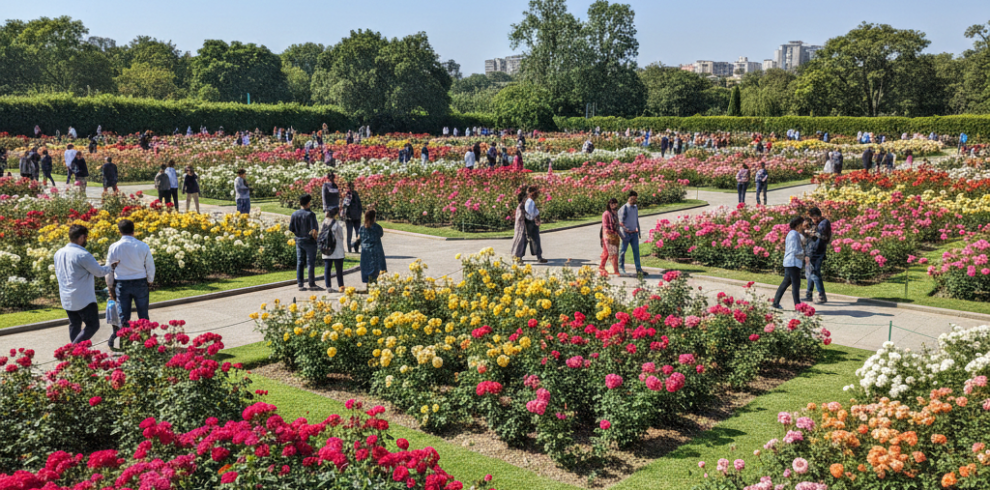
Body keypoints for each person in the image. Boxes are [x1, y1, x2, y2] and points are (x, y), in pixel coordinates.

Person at [54, 224, 117, 344]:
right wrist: (111, 267)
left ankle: (78, 353)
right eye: (86, 237)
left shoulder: (59, 253)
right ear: (82, 237)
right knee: (92, 325)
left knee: (74, 324)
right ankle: (73, 349)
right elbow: (99, 272)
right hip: (83, 298)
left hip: (66, 296)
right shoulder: (82, 254)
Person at [104, 219, 155, 349]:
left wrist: (110, 285)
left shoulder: (114, 247)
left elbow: (109, 268)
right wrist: (150, 280)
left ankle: (126, 344)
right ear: (133, 230)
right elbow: (150, 265)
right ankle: (146, 343)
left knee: (124, 316)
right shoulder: (142, 246)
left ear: (120, 231)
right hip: (140, 281)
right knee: (143, 314)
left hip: (122, 283)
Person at [772, 217, 809, 310]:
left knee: (786, 282)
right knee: (796, 284)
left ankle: (775, 303)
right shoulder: (794, 234)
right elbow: (795, 250)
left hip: (791, 261)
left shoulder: (793, 233)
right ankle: (798, 306)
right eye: (802, 224)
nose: (803, 226)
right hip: (793, 262)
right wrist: (804, 255)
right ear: (798, 225)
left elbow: (803, 240)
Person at [289, 194, 323, 292]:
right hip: (309, 241)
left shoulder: (294, 214)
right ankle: (311, 283)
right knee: (310, 263)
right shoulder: (311, 215)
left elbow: (291, 228)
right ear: (308, 203)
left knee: (300, 262)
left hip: (299, 240)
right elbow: (314, 230)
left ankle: (300, 283)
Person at [617, 191, 648, 276]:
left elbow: (636, 220)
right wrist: (624, 231)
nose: (634, 200)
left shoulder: (635, 207)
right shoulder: (624, 208)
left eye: (635, 199)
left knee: (636, 252)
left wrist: (639, 231)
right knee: (622, 252)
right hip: (626, 234)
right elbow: (620, 222)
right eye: (632, 199)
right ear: (628, 198)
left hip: (634, 234)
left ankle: (639, 269)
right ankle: (621, 268)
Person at [805, 207, 831, 304]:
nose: (812, 219)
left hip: (817, 251)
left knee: (814, 273)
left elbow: (823, 237)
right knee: (810, 272)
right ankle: (809, 294)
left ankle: (821, 294)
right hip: (812, 250)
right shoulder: (817, 223)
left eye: (812, 217)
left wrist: (812, 232)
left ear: (817, 215)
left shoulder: (824, 223)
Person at [320, 209, 347, 292]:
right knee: (339, 269)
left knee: (327, 268)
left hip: (326, 249)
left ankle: (328, 286)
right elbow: (341, 236)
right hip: (337, 250)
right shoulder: (337, 224)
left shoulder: (323, 223)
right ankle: (341, 285)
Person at [358, 209, 387, 285]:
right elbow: (381, 234)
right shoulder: (377, 228)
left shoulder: (362, 228)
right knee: (377, 270)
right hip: (376, 250)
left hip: (365, 252)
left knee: (367, 270)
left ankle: (368, 284)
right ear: (374, 217)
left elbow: (359, 238)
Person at [524, 186, 548, 263]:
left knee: (529, 238)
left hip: (529, 221)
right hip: (531, 222)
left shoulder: (529, 201)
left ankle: (520, 255)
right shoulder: (530, 202)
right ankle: (539, 256)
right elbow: (530, 213)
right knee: (534, 238)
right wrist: (536, 218)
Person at [599, 198, 621, 276]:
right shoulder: (606, 213)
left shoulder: (616, 213)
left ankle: (602, 267)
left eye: (615, 203)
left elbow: (618, 224)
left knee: (607, 252)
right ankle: (615, 270)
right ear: (609, 204)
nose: (613, 205)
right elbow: (605, 226)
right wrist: (610, 233)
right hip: (607, 236)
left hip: (615, 236)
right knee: (612, 252)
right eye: (612, 203)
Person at [341, 181, 363, 253]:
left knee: (352, 234)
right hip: (353, 217)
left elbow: (345, 206)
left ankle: (352, 248)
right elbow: (359, 205)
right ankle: (353, 248)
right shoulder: (353, 194)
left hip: (351, 217)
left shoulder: (349, 195)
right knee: (355, 233)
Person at [510, 192, 528, 260]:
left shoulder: (524, 206)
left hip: (523, 225)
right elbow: (520, 217)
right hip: (520, 226)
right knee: (519, 239)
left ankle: (520, 254)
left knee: (525, 240)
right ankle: (516, 255)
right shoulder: (521, 206)